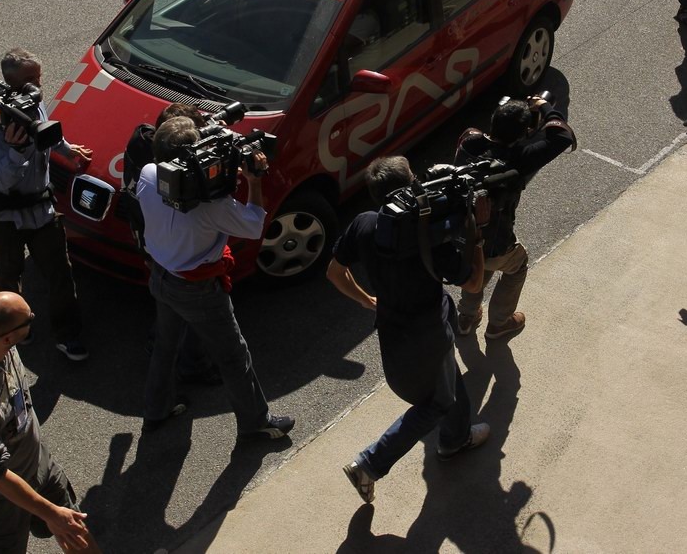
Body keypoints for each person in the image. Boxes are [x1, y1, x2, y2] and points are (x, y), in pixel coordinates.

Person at [329, 156, 491, 504]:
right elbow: (475, 282)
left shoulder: (364, 223)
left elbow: (334, 272)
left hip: (392, 326)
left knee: (449, 385)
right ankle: (370, 463)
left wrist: (365, 299)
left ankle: (454, 438)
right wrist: (477, 234)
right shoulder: (428, 234)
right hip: (430, 335)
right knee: (438, 401)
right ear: (411, 184)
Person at [136, 117, 294, 438]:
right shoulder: (210, 204)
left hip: (161, 277)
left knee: (166, 346)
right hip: (199, 291)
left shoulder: (148, 175)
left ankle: (157, 410)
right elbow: (252, 226)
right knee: (234, 357)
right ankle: (255, 423)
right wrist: (254, 180)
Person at [0, 292, 102, 553]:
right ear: (7, 337)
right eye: (29, 318)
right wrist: (51, 513)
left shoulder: (1, 347)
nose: (33, 320)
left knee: (76, 532)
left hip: (40, 467)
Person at [0, 48, 92, 361]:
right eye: (30, 79)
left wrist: (66, 149)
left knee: (60, 273)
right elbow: (1, 181)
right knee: (8, 276)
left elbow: (46, 131)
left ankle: (68, 335)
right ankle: (10, 333)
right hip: (6, 217)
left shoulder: (34, 104)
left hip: (42, 210)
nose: (37, 86)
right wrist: (17, 152)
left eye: (38, 77)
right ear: (9, 81)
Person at [453, 95, 576, 340]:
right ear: (523, 133)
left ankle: (467, 316)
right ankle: (499, 323)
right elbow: (562, 136)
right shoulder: (518, 159)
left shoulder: (469, 142)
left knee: (477, 265)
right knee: (516, 265)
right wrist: (544, 106)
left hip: (461, 235)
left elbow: (487, 140)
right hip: (496, 242)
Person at [120, 103, 222, 388]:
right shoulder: (170, 176)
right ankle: (194, 365)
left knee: (166, 305)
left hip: (149, 241)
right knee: (191, 312)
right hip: (173, 252)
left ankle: (159, 345)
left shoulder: (141, 143)